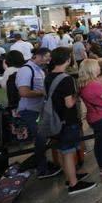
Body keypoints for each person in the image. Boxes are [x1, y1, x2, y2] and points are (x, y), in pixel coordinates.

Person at [45, 47, 96, 194]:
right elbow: (69, 103)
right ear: (67, 59)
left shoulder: (49, 76)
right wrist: (78, 93)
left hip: (55, 119)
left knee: (61, 150)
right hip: (66, 120)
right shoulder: (66, 79)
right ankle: (74, 184)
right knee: (68, 152)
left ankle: (70, 176)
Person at [15, 47, 62, 179]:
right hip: (29, 111)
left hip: (38, 110)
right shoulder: (26, 70)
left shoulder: (38, 69)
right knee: (40, 140)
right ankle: (42, 170)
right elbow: (23, 92)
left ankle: (42, 165)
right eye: (47, 56)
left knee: (42, 140)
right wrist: (44, 93)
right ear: (39, 56)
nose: (49, 59)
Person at [78, 59, 102, 179]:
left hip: (92, 116)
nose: (99, 68)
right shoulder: (95, 85)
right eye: (97, 66)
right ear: (92, 69)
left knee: (99, 144)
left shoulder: (82, 84)